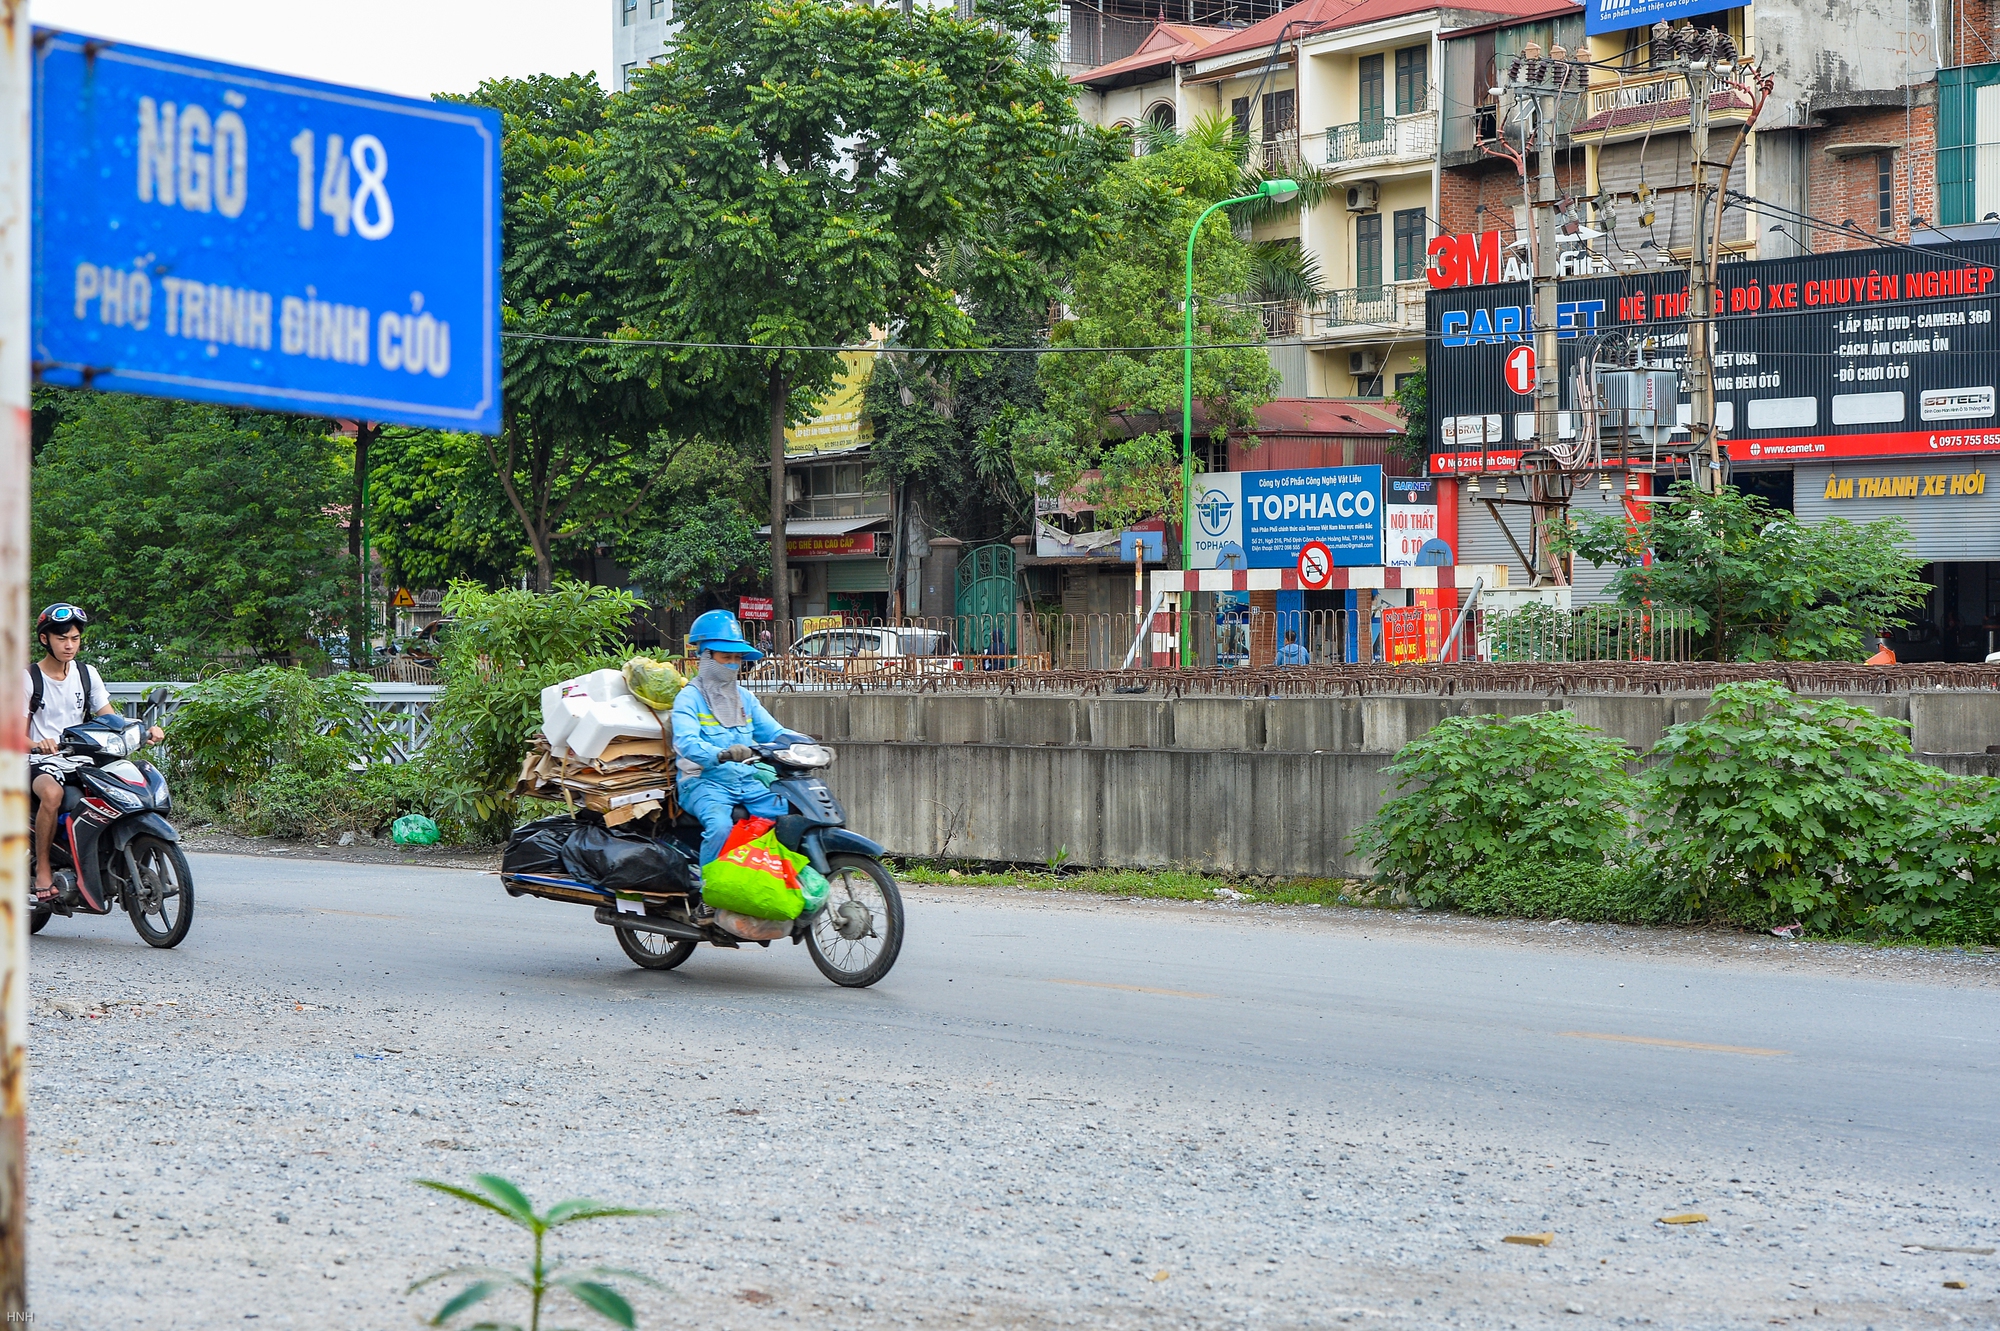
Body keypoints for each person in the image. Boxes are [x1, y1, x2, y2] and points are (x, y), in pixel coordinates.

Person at [25, 604, 163, 899]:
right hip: (36, 760)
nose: (69, 645)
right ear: (44, 639)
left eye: (74, 638)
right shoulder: (28, 679)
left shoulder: (87, 674)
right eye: (62, 638)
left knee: (123, 786)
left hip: (79, 758)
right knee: (52, 794)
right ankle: (44, 869)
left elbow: (108, 719)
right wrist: (39, 743)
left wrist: (142, 731)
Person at [670, 610, 813, 864]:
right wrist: (720, 754)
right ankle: (709, 896)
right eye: (726, 657)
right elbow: (687, 743)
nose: (733, 664)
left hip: (747, 784)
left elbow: (775, 732)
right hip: (704, 784)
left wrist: (808, 745)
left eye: (737, 658)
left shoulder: (745, 697)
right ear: (706, 657)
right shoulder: (689, 698)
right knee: (720, 828)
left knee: (792, 813)